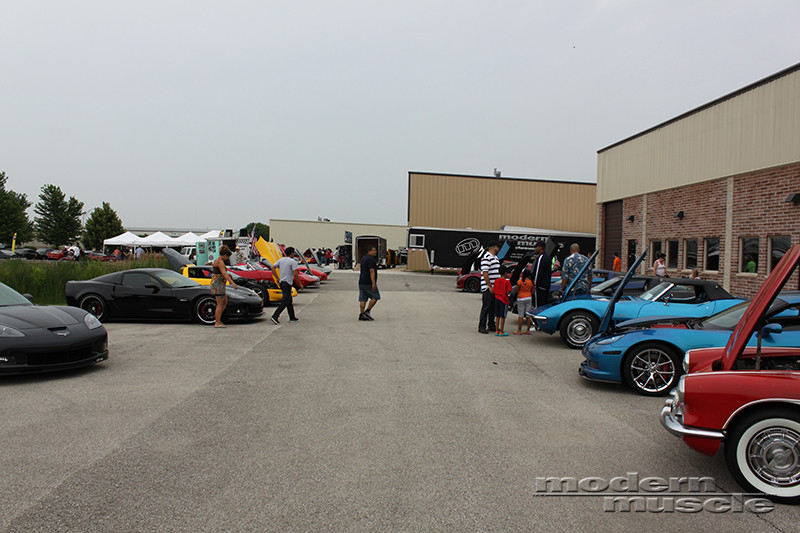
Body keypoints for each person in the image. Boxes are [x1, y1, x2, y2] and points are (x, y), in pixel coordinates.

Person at [271, 247, 304, 324]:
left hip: (282, 282)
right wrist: (300, 283)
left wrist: (277, 278)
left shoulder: (281, 260)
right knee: (285, 301)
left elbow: (272, 268)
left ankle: (292, 317)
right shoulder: (292, 262)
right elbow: (295, 274)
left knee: (289, 300)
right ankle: (275, 316)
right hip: (287, 283)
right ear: (291, 253)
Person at [210, 245, 238, 328]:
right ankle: (217, 322)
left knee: (224, 302)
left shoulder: (217, 260)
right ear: (225, 255)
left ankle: (218, 319)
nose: (227, 258)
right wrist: (232, 283)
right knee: (220, 304)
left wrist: (228, 276)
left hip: (220, 284)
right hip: (218, 285)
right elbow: (224, 273)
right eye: (227, 257)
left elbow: (220, 273)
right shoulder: (220, 262)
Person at [478, 241, 501, 334]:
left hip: (495, 287)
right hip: (488, 287)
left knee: (493, 308)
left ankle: (491, 324)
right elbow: (485, 273)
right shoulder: (487, 258)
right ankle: (482, 326)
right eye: (497, 247)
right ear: (494, 247)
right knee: (486, 307)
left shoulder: (495, 258)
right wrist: (489, 286)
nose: (498, 249)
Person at [358, 246, 380, 321]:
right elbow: (372, 271)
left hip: (362, 281)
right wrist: (373, 283)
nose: (375, 252)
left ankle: (361, 314)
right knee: (376, 297)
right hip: (368, 282)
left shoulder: (363, 258)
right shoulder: (371, 259)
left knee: (363, 298)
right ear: (369, 251)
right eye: (373, 250)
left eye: (375, 250)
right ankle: (367, 311)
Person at [513, 269, 534, 335]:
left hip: (521, 298)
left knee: (521, 315)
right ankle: (527, 330)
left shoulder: (520, 281)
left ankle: (519, 330)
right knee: (528, 315)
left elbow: (516, 290)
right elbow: (533, 291)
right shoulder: (532, 282)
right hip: (529, 297)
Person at [531, 240, 552, 308]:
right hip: (546, 286)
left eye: (536, 247)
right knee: (544, 305)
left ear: (540, 247)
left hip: (540, 287)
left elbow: (538, 272)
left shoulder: (541, 258)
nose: (535, 249)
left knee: (538, 305)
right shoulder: (548, 258)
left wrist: (535, 284)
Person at [493, 264, 512, 336]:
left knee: (497, 315)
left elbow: (494, 290)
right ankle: (501, 330)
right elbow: (508, 291)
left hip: (497, 298)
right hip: (504, 300)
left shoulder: (496, 281)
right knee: (503, 316)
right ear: (505, 273)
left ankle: (497, 330)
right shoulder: (507, 282)